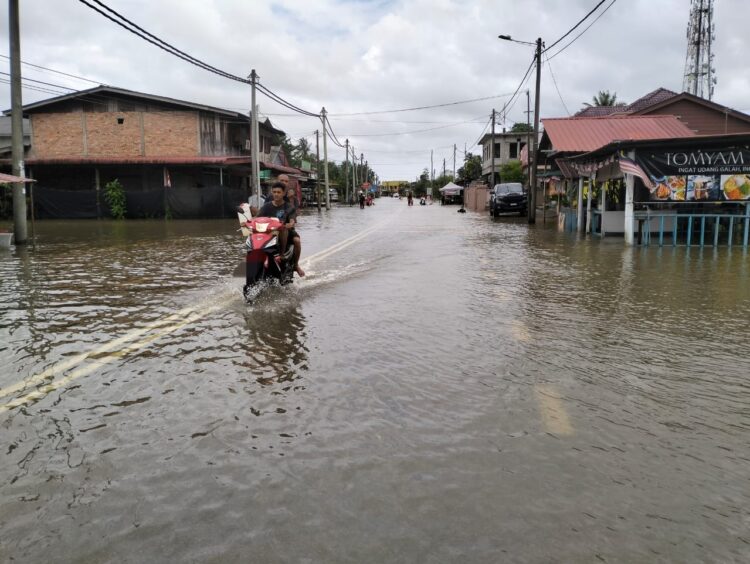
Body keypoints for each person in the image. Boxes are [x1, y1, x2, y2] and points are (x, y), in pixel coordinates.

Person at [257, 181, 305, 277]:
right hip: (269, 231)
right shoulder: (266, 206)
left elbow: (292, 220)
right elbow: (257, 218)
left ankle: (294, 264)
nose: (276, 194)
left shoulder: (289, 206)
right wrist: (247, 221)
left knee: (297, 241)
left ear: (283, 193)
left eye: (278, 192)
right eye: (274, 192)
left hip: (286, 231)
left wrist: (289, 224)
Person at [277, 174, 305, 277]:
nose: (283, 183)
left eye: (285, 181)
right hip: (272, 228)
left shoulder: (290, 200)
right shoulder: (269, 199)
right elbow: (262, 212)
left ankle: (295, 265)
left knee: (296, 240)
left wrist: (291, 222)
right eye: (281, 180)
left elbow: (293, 213)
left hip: (286, 228)